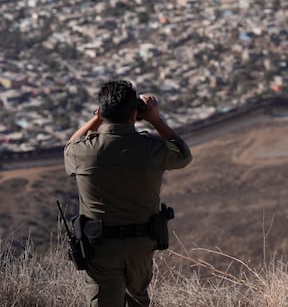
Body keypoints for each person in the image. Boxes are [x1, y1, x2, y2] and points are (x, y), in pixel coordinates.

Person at [64, 80, 193, 307]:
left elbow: (69, 146)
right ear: (134, 115)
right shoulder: (153, 148)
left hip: (101, 246)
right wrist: (155, 119)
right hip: (141, 243)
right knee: (138, 299)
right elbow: (183, 154)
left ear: (102, 112)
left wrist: (97, 118)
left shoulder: (83, 152)